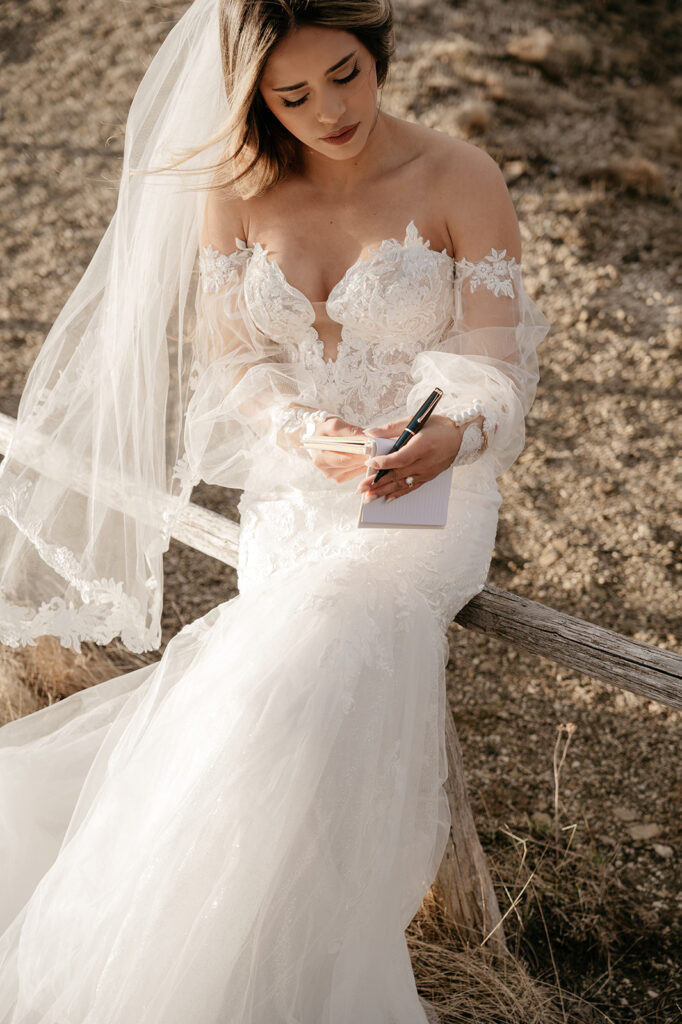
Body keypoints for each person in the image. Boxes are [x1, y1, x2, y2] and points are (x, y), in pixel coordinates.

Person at [0, 0, 548, 1021]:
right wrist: (306, 433)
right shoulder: (238, 191)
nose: (330, 109)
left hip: (432, 489)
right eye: (291, 95)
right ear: (252, 99)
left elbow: (498, 368)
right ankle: (229, 956)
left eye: (346, 73)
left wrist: (448, 435)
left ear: (376, 50)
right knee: (274, 695)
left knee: (307, 648)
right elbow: (235, 362)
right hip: (297, 498)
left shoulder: (455, 175)